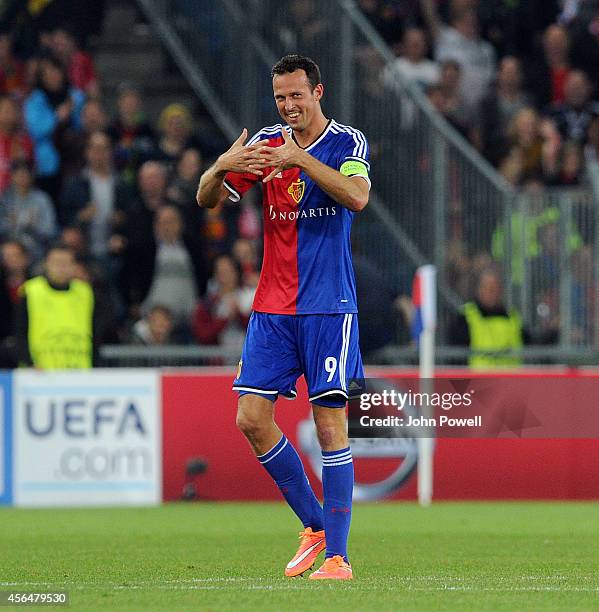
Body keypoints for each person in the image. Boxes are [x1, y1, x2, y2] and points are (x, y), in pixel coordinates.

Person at [196, 54, 370, 580]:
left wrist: (301, 161)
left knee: (329, 423)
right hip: (273, 307)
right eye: (280, 98)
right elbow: (208, 201)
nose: (288, 106)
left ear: (319, 93)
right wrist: (222, 167)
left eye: (297, 95)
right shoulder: (267, 143)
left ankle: (338, 559)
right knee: (249, 419)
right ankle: (317, 527)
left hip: (327, 306)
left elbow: (357, 196)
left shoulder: (348, 143)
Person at [15, 243, 97, 369]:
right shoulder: (31, 291)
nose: (61, 268)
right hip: (39, 372)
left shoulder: (85, 292)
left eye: (66, 263)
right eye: (57, 263)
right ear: (46, 264)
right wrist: (28, 362)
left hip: (79, 370)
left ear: (74, 266)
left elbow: (95, 331)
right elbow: (19, 331)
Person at [449, 267, 525, 369]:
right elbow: (456, 357)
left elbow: (532, 345)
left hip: (511, 382)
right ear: (479, 289)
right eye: (488, 288)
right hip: (478, 382)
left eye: (496, 289)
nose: (492, 293)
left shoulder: (512, 317)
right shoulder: (465, 317)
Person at [0, 160, 58, 263]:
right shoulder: (4, 199)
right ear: (12, 176)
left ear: (32, 176)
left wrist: (32, 226)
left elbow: (50, 229)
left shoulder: (42, 199)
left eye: (25, 175)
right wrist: (11, 224)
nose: (22, 179)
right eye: (18, 175)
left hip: (37, 249)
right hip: (9, 247)